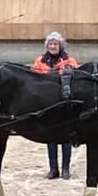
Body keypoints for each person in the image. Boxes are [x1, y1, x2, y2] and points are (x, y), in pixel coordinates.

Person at [31, 31, 79, 180]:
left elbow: (77, 80)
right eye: (50, 44)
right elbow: (33, 80)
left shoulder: (70, 61)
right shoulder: (39, 61)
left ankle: (65, 169)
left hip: (64, 104)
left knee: (65, 137)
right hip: (47, 104)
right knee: (50, 137)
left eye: (55, 44)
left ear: (60, 46)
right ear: (47, 46)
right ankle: (53, 169)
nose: (53, 46)